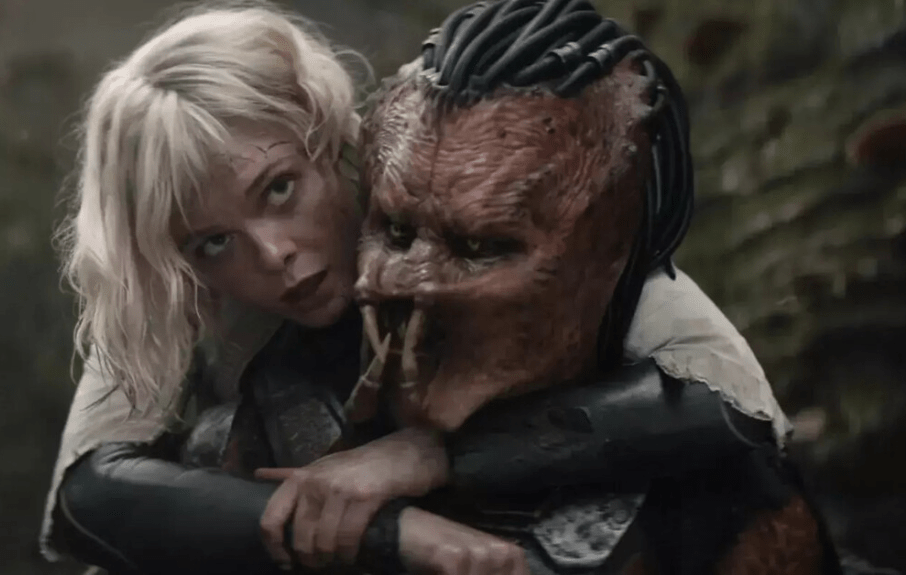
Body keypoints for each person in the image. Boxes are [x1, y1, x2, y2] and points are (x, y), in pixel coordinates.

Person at [41, 2, 794, 574]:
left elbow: (735, 398)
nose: (272, 254)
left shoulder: (439, 170)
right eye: (213, 240)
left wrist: (431, 455)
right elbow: (92, 492)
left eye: (278, 189)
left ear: (326, 135)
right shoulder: (168, 283)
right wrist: (391, 533)